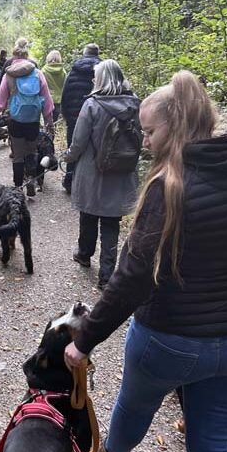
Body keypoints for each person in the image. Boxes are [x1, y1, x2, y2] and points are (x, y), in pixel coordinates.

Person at [64, 70, 227, 452]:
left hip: (171, 341)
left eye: (150, 131)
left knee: (134, 407)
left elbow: (132, 278)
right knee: (210, 445)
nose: (144, 142)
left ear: (177, 125)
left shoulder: (168, 188)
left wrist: (85, 339)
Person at [63, 59, 140, 289]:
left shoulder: (92, 105)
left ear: (102, 78)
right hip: (122, 170)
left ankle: (84, 254)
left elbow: (78, 142)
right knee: (111, 222)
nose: (93, 79)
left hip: (92, 170)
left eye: (95, 76)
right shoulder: (135, 104)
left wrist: (68, 158)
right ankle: (107, 276)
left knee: (88, 214)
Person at [0, 37, 54, 196]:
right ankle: (30, 180)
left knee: (18, 156)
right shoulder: (38, 73)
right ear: (27, 57)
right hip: (33, 121)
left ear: (14, 58)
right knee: (31, 152)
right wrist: (49, 122)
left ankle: (18, 188)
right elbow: (47, 101)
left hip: (15, 120)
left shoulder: (9, 76)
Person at [60, 43, 101, 193]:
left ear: (85, 53)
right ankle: (90, 186)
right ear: (97, 53)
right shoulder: (103, 70)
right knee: (94, 150)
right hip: (97, 118)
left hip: (74, 117)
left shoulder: (74, 70)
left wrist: (65, 114)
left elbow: (65, 93)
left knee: (73, 147)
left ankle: (70, 180)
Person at [41, 49, 67, 124]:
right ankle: (52, 135)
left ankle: (47, 135)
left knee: (47, 122)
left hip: (46, 99)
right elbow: (64, 86)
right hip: (58, 100)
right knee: (54, 122)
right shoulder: (63, 71)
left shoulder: (44, 71)